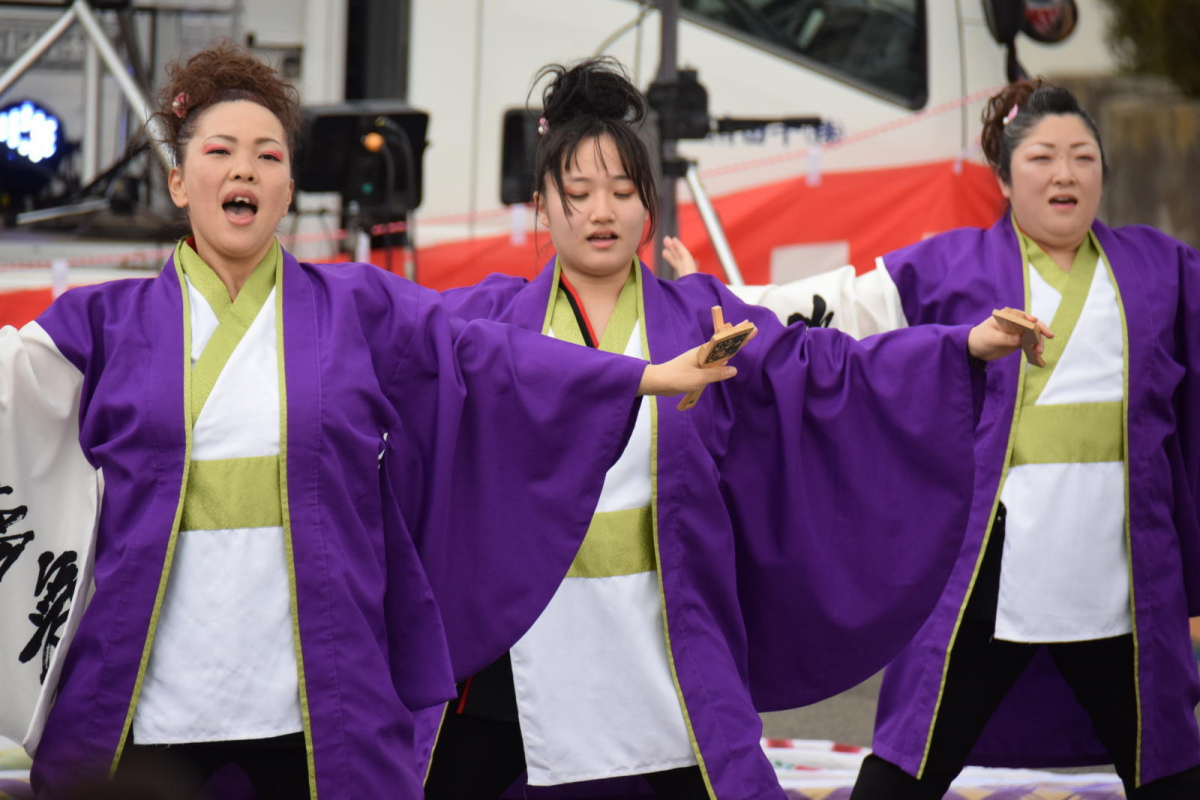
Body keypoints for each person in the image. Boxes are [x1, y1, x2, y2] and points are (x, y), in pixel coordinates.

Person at [0, 42, 736, 800]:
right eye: (220, 152)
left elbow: (486, 356)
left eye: (268, 155)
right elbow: (9, 396)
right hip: (147, 694)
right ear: (180, 181)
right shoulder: (101, 322)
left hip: (310, 694)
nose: (245, 170)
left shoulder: (358, 307)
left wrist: (643, 375)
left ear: (290, 188)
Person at [420, 58, 1039, 800]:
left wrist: (958, 347)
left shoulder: (698, 317)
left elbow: (822, 370)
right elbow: (396, 362)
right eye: (577, 193)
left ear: (648, 205)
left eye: (622, 191)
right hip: (521, 638)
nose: (601, 212)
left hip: (663, 627)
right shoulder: (487, 321)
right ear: (541, 207)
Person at [684, 80, 1200, 799]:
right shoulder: (954, 266)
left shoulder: (1161, 269)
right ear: (1004, 176)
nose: (1065, 175)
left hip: (1121, 575)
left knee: (1169, 770)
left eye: (1084, 157)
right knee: (906, 766)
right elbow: (845, 308)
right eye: (1044, 157)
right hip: (988, 572)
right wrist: (718, 301)